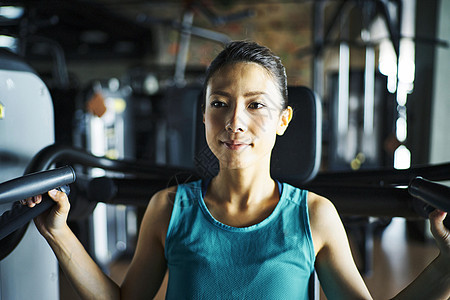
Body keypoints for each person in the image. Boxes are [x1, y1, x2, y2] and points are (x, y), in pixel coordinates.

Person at [24, 41, 449, 299]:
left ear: (284, 121)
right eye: (219, 104)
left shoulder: (315, 217)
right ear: (204, 115)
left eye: (256, 105)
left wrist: (447, 266)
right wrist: (59, 233)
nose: (234, 122)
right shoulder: (167, 208)